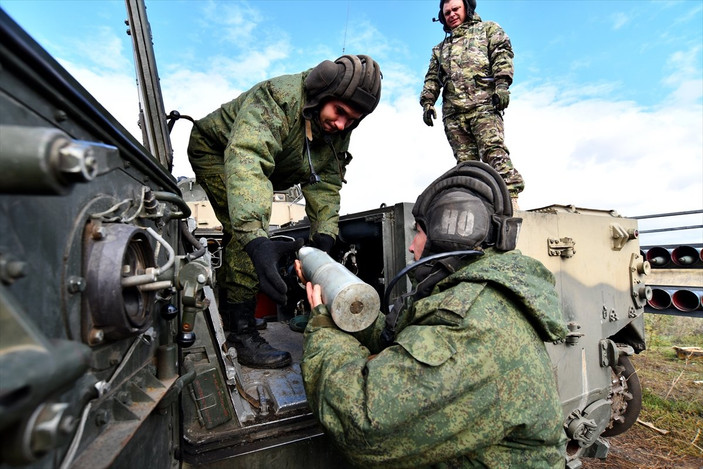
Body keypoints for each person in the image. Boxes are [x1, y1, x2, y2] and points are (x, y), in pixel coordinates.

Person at [298, 161, 568, 467]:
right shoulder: (473, 295)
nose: (412, 248)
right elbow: (404, 341)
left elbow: (362, 425)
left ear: (449, 235)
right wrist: (351, 311)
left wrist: (323, 329)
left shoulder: (472, 325)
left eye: (420, 233)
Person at [187, 54, 382, 369]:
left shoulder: (337, 126)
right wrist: (256, 239)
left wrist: (325, 236)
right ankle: (240, 331)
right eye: (340, 112)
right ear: (320, 96)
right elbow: (249, 156)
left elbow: (326, 182)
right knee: (246, 237)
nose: (343, 124)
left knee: (257, 231)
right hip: (219, 153)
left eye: (353, 120)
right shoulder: (279, 99)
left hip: (271, 166)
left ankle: (238, 308)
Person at [420, 0, 525, 203]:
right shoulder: (440, 49)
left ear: (467, 9)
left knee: (494, 152)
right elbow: (433, 78)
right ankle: (477, 205)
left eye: (455, 9)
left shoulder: (487, 30)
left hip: (483, 106)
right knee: (466, 167)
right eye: (447, 12)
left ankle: (512, 202)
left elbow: (502, 54)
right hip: (454, 113)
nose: (451, 15)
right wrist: (427, 102)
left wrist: (502, 85)